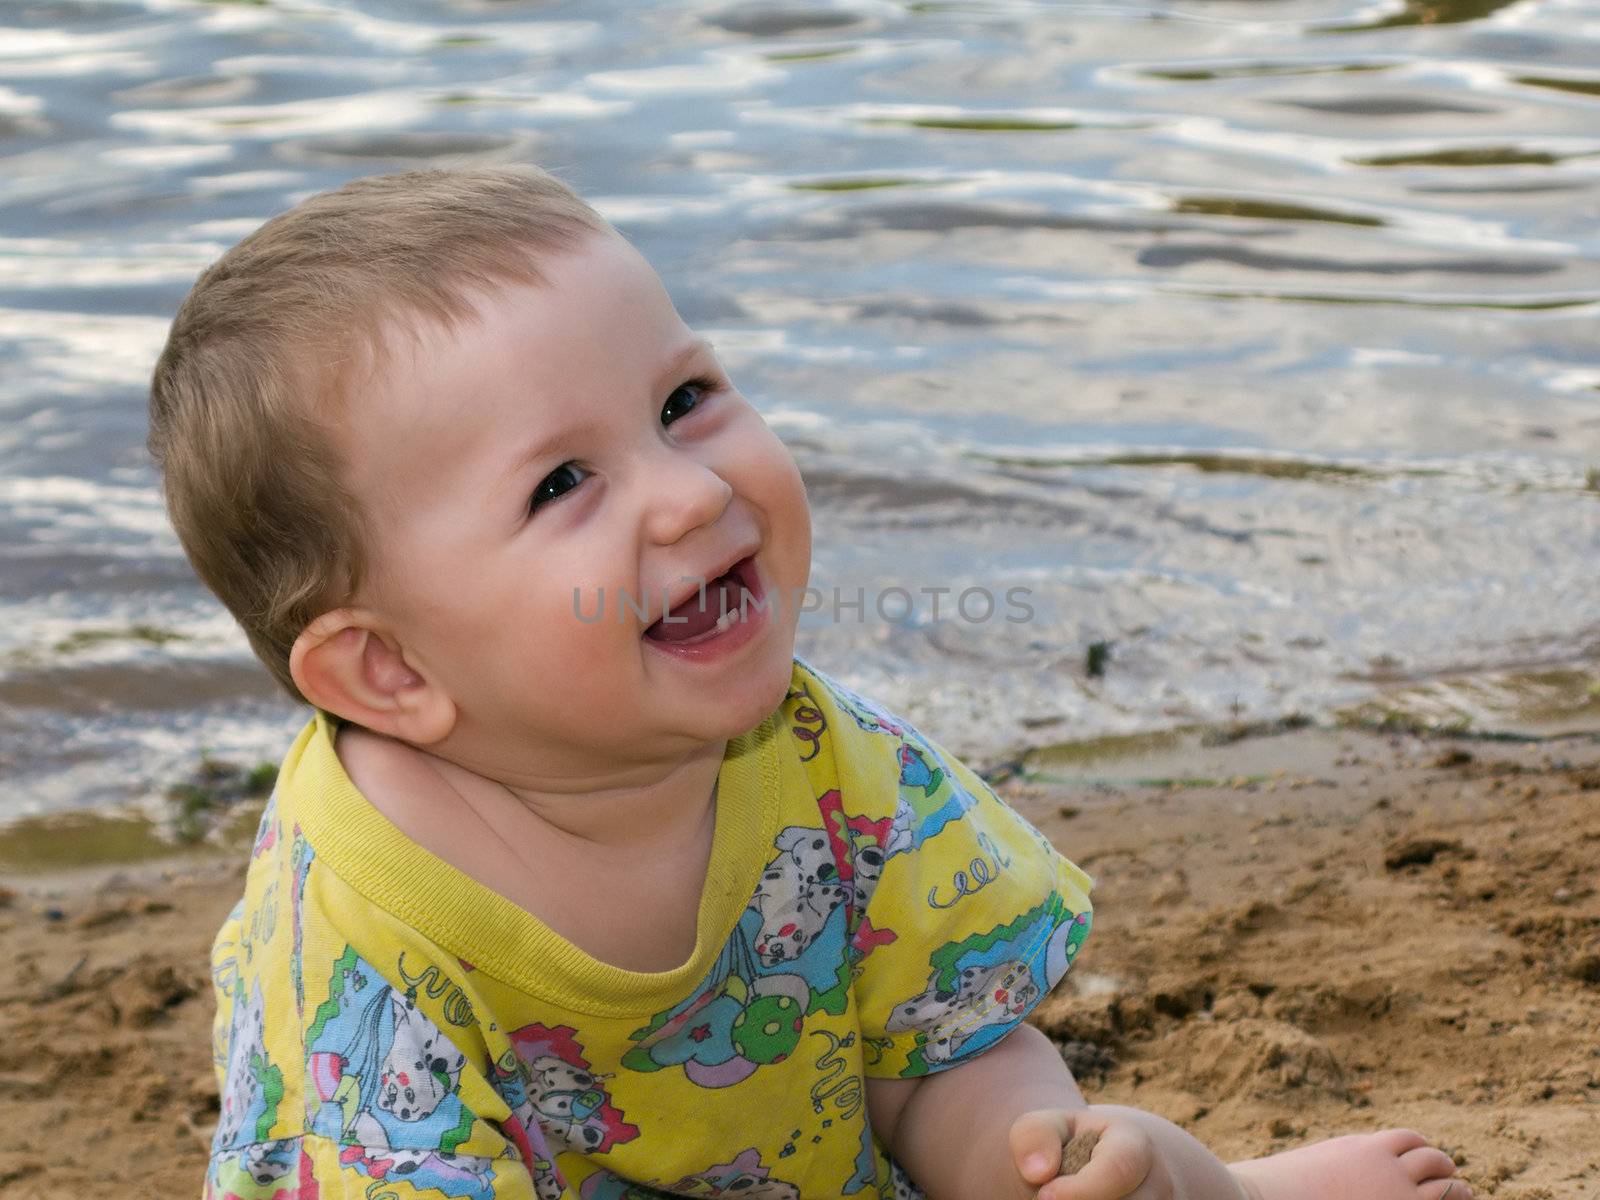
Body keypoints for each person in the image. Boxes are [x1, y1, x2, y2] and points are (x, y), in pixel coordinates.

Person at [150, 167, 1470, 1200]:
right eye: (561, 484)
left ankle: (1204, 1187)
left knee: (1018, 1119)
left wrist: (1022, 1156)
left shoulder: (823, 754)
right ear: (389, 668)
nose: (693, 490)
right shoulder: (364, 944)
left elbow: (932, 1046)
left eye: (686, 399)